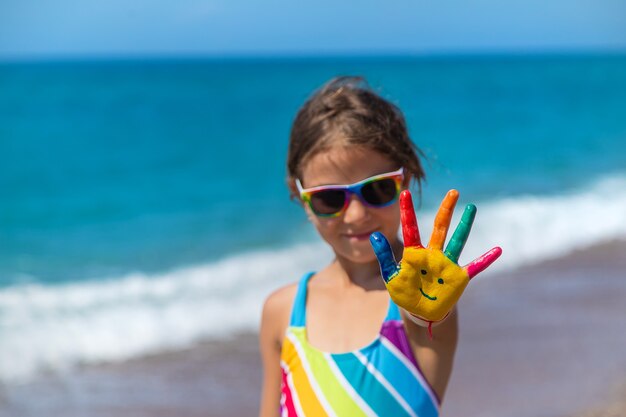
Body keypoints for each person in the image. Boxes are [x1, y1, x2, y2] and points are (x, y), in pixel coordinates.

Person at [258, 76, 498, 417]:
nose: (355, 215)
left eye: (377, 190)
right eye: (329, 198)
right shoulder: (281, 312)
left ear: (406, 182)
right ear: (300, 196)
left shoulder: (418, 300)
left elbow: (429, 313)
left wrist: (429, 307)